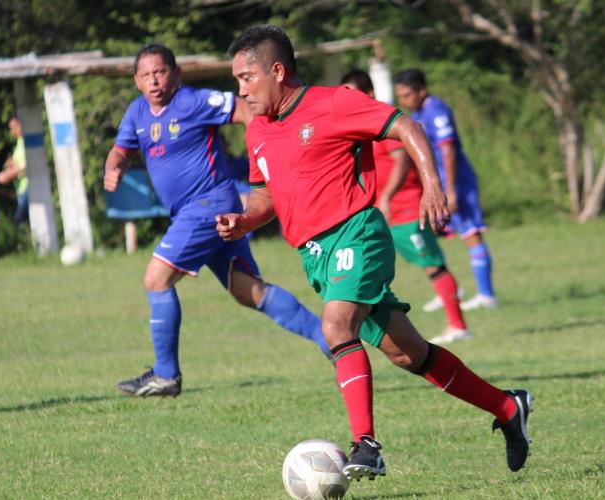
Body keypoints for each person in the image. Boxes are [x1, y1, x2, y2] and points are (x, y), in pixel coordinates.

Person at [219, 25, 533, 481]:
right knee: (409, 354)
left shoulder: (333, 103)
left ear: (277, 71)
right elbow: (265, 195)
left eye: (246, 78)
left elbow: (407, 126)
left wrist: (432, 185)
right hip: (315, 255)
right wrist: (244, 220)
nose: (240, 90)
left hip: (356, 234)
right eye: (237, 81)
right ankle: (507, 406)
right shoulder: (258, 132)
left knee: (336, 325)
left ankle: (365, 444)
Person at [104, 43, 330, 398]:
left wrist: (269, 148)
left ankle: (166, 375)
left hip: (208, 204)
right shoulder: (136, 113)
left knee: (156, 279)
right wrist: (113, 166)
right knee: (248, 291)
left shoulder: (192, 101)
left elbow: (246, 112)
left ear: (175, 74)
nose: (154, 80)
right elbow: (121, 149)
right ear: (136, 81)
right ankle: (330, 338)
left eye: (161, 72)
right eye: (146, 75)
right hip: (197, 212)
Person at [340, 70, 471, 344]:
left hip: (406, 209)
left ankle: (457, 325)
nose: (347, 99)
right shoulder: (355, 124)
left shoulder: (383, 119)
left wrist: (386, 196)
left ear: (370, 93)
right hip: (384, 215)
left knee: (433, 265)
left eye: (352, 93)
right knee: (373, 274)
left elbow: (401, 161)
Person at [394, 69, 498, 312]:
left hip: (457, 181)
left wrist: (450, 189)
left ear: (422, 90)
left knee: (471, 234)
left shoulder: (436, 110)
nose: (404, 101)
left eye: (408, 94)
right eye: (401, 96)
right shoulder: (419, 112)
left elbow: (448, 150)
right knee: (434, 234)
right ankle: (449, 290)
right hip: (439, 184)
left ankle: (486, 294)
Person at [0, 116, 29, 225]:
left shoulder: (27, 142)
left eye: (13, 128)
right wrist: (11, 164)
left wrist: (11, 173)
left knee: (18, 221)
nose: (12, 132)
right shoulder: (19, 143)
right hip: (20, 188)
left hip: (27, 187)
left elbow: (28, 165)